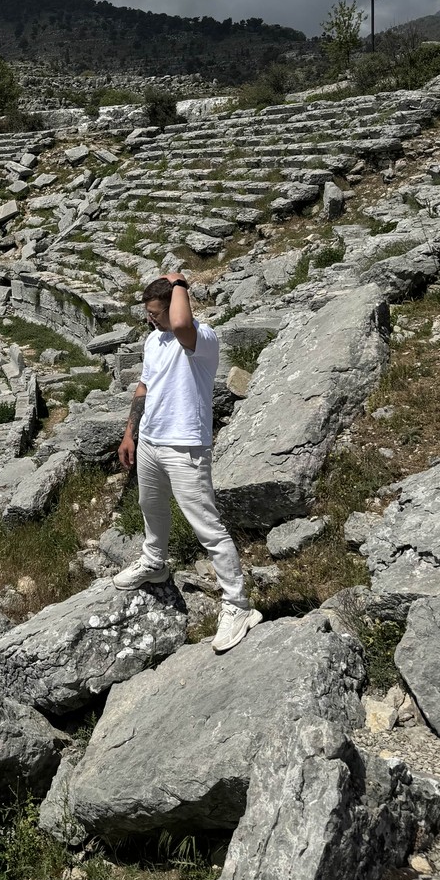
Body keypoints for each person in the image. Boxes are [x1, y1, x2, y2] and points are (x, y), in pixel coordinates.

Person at [113, 272, 261, 654]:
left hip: (185, 445)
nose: (152, 320)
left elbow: (179, 322)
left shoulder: (201, 338)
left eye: (156, 313)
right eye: (148, 314)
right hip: (151, 439)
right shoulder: (153, 338)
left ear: (177, 305)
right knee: (150, 506)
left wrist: (179, 282)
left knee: (206, 526)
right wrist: (131, 432)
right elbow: (144, 387)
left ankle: (238, 604)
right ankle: (154, 561)